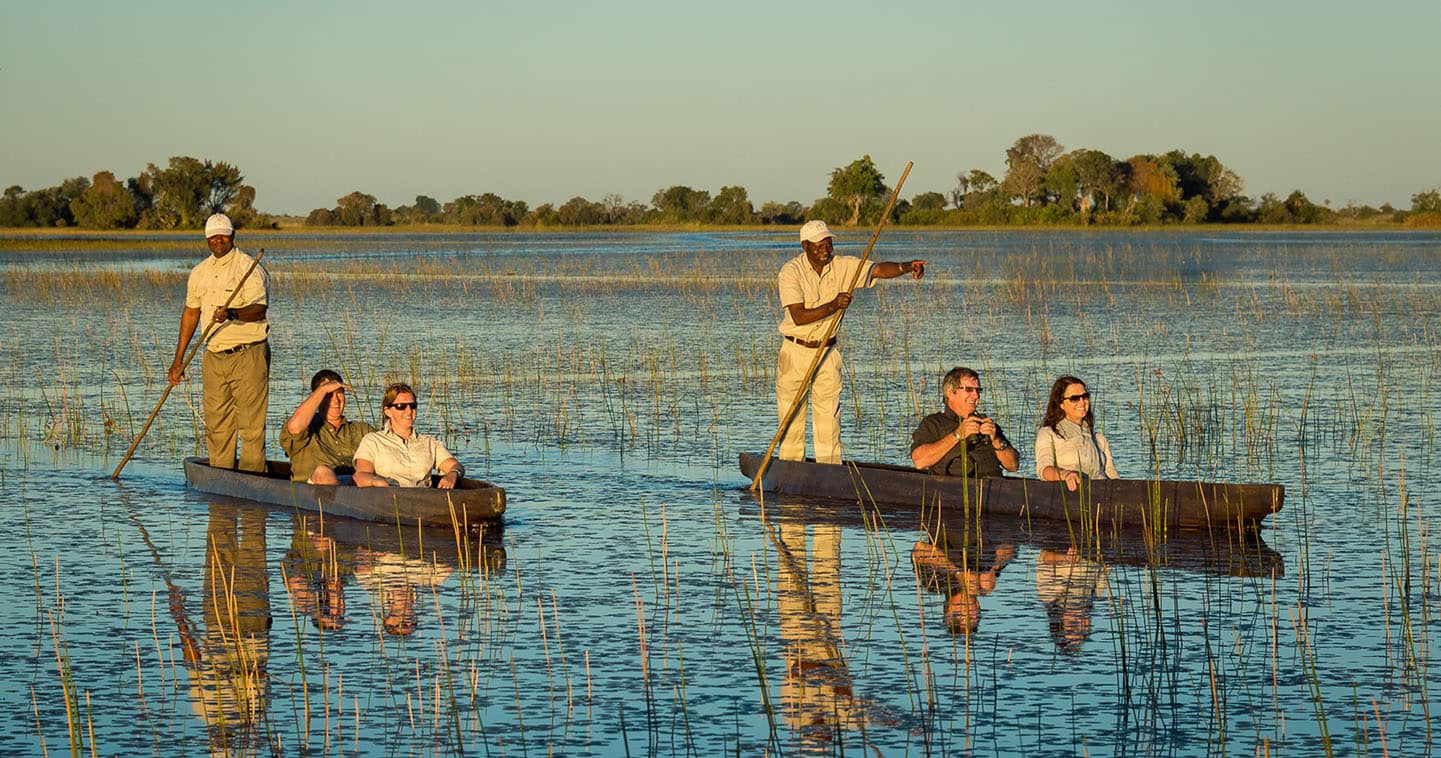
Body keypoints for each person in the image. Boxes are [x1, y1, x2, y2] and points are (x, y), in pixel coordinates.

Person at [776, 220, 925, 464]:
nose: (826, 248)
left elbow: (877, 269)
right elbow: (798, 316)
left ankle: (829, 470)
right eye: (819, 244)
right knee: (791, 417)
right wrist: (833, 305)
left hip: (827, 351)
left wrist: (906, 266)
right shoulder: (790, 271)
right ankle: (791, 472)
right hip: (796, 350)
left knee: (829, 419)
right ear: (805, 246)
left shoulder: (845, 265)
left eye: (829, 242)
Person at [167, 213, 271, 472]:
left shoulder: (250, 268)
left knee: (250, 426)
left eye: (223, 234)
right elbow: (191, 313)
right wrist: (178, 360)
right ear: (206, 239)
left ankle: (250, 484)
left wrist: (233, 314)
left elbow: (259, 309)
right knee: (217, 426)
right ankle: (222, 485)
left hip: (248, 353)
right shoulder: (199, 272)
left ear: (232, 235)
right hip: (213, 355)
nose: (218, 240)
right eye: (213, 236)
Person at [910, 366, 1019, 477]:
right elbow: (919, 461)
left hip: (995, 488)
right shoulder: (934, 423)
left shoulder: (986, 423)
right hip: (953, 489)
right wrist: (957, 435)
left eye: (978, 390)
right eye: (969, 389)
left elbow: (1013, 465)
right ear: (951, 393)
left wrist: (996, 440)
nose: (976, 395)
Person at [353, 383, 464, 488]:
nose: (409, 411)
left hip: (423, 499)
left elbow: (456, 466)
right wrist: (378, 482)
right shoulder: (372, 441)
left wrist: (452, 474)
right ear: (387, 411)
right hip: (388, 498)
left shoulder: (430, 443)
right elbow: (361, 475)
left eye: (412, 406)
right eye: (401, 406)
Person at [279, 369, 375, 484]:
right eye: (328, 394)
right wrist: (323, 389)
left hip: (354, 487)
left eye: (339, 393)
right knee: (323, 472)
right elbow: (295, 428)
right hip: (315, 491)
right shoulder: (308, 426)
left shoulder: (362, 430)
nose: (335, 400)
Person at [1035, 375, 1119, 491]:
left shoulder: (1100, 439)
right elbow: (1043, 470)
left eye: (1085, 397)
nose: (1082, 402)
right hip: (1070, 497)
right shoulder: (1048, 433)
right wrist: (1066, 475)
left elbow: (1112, 474)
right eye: (1074, 398)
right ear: (1061, 404)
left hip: (1102, 495)